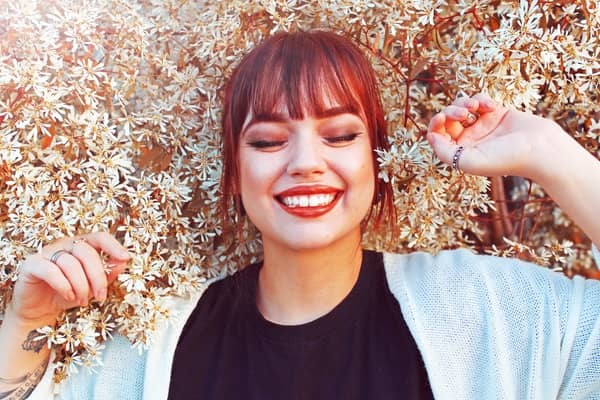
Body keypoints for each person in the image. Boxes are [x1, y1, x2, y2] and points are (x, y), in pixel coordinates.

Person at [1, 30, 599, 400]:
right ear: (235, 173)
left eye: (340, 135)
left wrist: (549, 153)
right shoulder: (156, 350)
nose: (305, 162)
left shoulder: (480, 313)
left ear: (376, 159)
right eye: (266, 142)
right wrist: (24, 322)